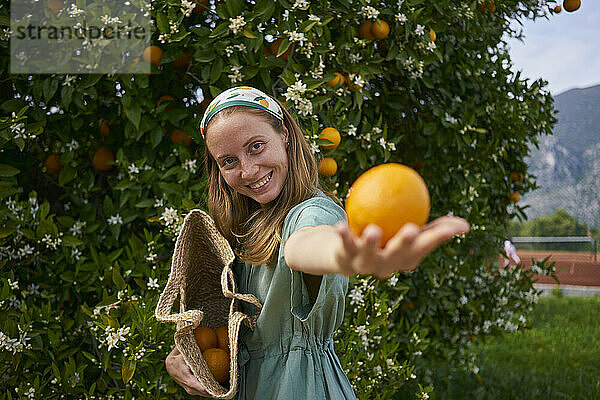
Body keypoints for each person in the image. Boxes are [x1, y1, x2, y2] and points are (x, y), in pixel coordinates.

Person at [164, 86, 470, 399]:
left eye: (256, 146)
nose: (248, 170)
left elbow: (305, 246)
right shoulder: (241, 232)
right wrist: (185, 356)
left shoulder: (312, 211)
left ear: (284, 134)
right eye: (229, 161)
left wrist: (346, 256)